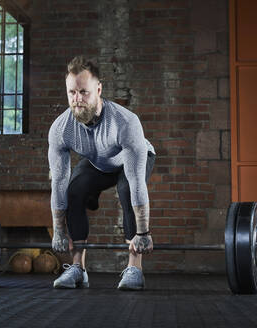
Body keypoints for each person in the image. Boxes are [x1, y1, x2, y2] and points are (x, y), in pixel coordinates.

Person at [48, 55, 155, 290]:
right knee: (73, 190)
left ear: (98, 89)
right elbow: (58, 182)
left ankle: (135, 268)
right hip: (99, 162)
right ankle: (78, 269)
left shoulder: (125, 121)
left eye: (83, 92)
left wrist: (143, 231)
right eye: (72, 93)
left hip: (133, 160)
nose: (77, 100)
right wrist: (58, 230)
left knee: (126, 188)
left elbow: (137, 182)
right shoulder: (61, 128)